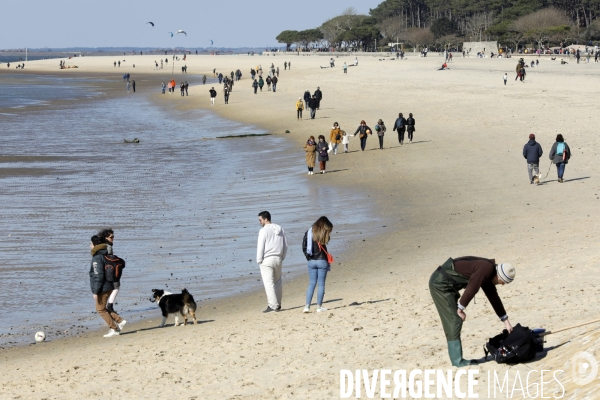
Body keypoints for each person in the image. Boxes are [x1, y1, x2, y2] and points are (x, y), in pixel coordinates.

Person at [429, 256, 516, 367]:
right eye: (503, 281)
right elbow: (473, 286)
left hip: (449, 287)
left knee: (455, 319)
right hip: (440, 285)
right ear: (499, 275)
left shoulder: (488, 273)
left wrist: (506, 321)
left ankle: (458, 360)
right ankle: (458, 362)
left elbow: (494, 298)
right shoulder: (486, 269)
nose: (502, 284)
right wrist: (460, 309)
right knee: (454, 321)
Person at [89, 235, 127, 338]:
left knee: (100, 309)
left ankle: (114, 328)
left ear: (95, 245)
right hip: (110, 285)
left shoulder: (97, 258)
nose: (89, 246)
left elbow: (98, 276)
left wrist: (95, 291)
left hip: (104, 287)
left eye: (91, 244)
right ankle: (120, 321)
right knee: (103, 308)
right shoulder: (105, 254)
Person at [256, 211, 288, 313]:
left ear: (266, 219)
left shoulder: (263, 231)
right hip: (278, 257)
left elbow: (260, 246)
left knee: (268, 283)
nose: (259, 222)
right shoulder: (280, 229)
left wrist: (259, 260)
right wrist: (282, 256)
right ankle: (278, 304)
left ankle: (273, 305)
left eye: (260, 220)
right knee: (277, 281)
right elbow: (285, 245)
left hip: (267, 259)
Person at [302, 216, 334, 313]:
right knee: (321, 284)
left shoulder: (308, 232)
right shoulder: (323, 234)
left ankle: (307, 306)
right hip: (322, 260)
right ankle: (319, 307)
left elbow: (304, 246)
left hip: (311, 261)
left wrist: (308, 258)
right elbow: (327, 241)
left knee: (311, 283)